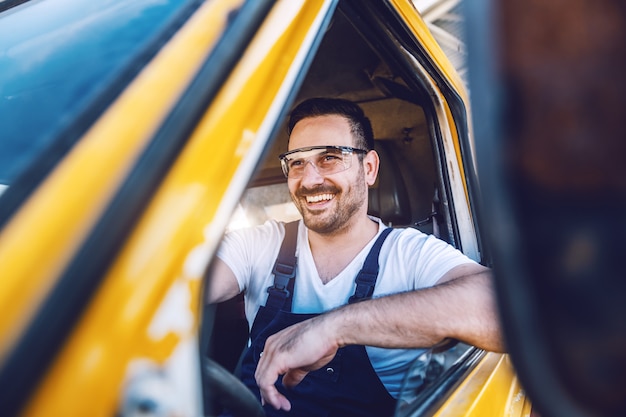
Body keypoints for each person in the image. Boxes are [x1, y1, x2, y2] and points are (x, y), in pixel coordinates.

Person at [206, 97, 504, 416]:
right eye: (297, 163)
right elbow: (177, 281)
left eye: (330, 158)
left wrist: (333, 329)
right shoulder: (260, 244)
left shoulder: (408, 252)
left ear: (369, 168)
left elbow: (507, 313)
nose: (309, 180)